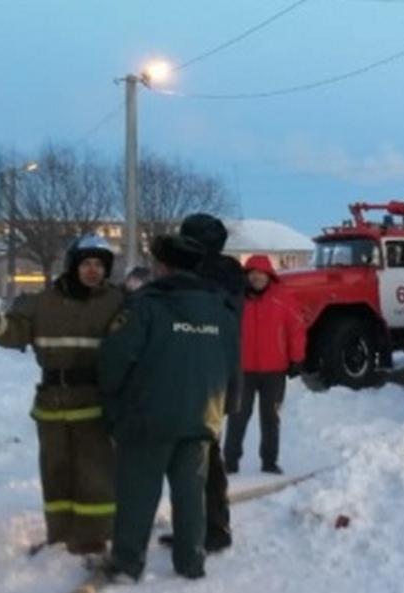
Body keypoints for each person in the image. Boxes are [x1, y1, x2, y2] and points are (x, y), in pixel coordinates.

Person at [0, 235, 123, 556]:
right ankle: (59, 533)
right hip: (52, 403)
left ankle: (93, 535)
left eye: (99, 265)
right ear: (73, 265)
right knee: (55, 471)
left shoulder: (117, 303)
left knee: (94, 473)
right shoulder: (42, 302)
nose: (93, 270)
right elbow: (12, 333)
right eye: (87, 263)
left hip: (94, 403)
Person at [96, 233, 239, 581]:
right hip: (202, 417)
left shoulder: (145, 305)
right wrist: (225, 407)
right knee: (191, 493)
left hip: (148, 418)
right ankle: (191, 562)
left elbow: (115, 359)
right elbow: (233, 363)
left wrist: (112, 405)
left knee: (138, 493)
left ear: (161, 266)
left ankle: (128, 563)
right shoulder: (221, 309)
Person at [175, 213, 244, 553]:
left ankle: (214, 528)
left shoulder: (214, 279)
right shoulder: (223, 275)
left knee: (204, 455)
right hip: (208, 374)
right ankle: (196, 525)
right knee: (195, 454)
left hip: (206, 376)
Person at [226, 255, 305, 475]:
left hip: (274, 371)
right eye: (253, 273)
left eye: (261, 273)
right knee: (237, 417)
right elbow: (226, 330)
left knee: (271, 418)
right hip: (243, 370)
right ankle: (230, 462)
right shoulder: (236, 300)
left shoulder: (283, 298)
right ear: (247, 276)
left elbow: (296, 328)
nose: (257, 277)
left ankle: (269, 462)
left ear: (269, 275)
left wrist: (297, 358)